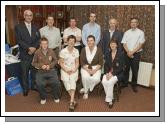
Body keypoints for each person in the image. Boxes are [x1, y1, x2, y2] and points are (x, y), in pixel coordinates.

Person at [15, 9, 40, 96]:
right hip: (25, 54)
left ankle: (33, 86)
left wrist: (34, 48)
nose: (29, 17)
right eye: (27, 15)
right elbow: (19, 40)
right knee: (24, 73)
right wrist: (29, 48)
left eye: (30, 15)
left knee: (34, 72)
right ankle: (25, 89)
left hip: (34, 54)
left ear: (32, 17)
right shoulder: (18, 27)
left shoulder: (36, 27)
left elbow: (38, 39)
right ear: (24, 16)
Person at [32, 37, 60, 104]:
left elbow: (56, 60)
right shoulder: (37, 52)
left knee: (56, 82)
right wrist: (41, 66)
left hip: (51, 70)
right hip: (41, 71)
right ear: (40, 44)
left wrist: (50, 66)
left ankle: (56, 96)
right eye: (43, 44)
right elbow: (33, 63)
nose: (44, 45)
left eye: (46, 44)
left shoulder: (51, 51)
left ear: (48, 44)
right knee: (39, 84)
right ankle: (43, 97)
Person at [121, 18, 145, 92]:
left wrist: (132, 52)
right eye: (132, 22)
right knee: (126, 69)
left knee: (135, 70)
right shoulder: (127, 32)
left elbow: (141, 45)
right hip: (127, 53)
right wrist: (128, 52)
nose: (133, 23)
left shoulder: (141, 33)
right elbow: (124, 43)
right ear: (130, 24)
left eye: (135, 22)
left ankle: (134, 85)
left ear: (137, 24)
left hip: (136, 54)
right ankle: (125, 83)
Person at [102, 39, 125, 108]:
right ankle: (111, 97)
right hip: (108, 72)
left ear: (117, 45)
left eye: (114, 43)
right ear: (109, 45)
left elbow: (121, 67)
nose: (112, 45)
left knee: (110, 82)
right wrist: (106, 73)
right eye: (111, 44)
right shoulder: (108, 54)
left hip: (118, 73)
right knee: (104, 81)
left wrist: (112, 74)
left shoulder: (121, 54)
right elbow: (106, 65)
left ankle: (110, 101)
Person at [59, 35, 79, 111]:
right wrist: (66, 70)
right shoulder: (63, 51)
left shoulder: (76, 51)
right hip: (65, 69)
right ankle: (73, 100)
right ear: (67, 41)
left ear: (74, 42)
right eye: (70, 41)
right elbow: (61, 63)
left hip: (74, 69)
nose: (71, 42)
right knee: (66, 81)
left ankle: (71, 102)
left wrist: (74, 69)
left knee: (72, 80)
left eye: (73, 41)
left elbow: (77, 62)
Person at [80, 35, 103, 99]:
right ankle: (86, 92)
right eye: (88, 41)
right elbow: (82, 62)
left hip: (96, 67)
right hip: (85, 67)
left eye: (91, 40)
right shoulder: (83, 49)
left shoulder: (99, 50)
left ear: (94, 41)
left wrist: (94, 70)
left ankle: (86, 88)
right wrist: (88, 70)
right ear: (87, 42)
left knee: (97, 79)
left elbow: (101, 62)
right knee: (85, 77)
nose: (90, 42)